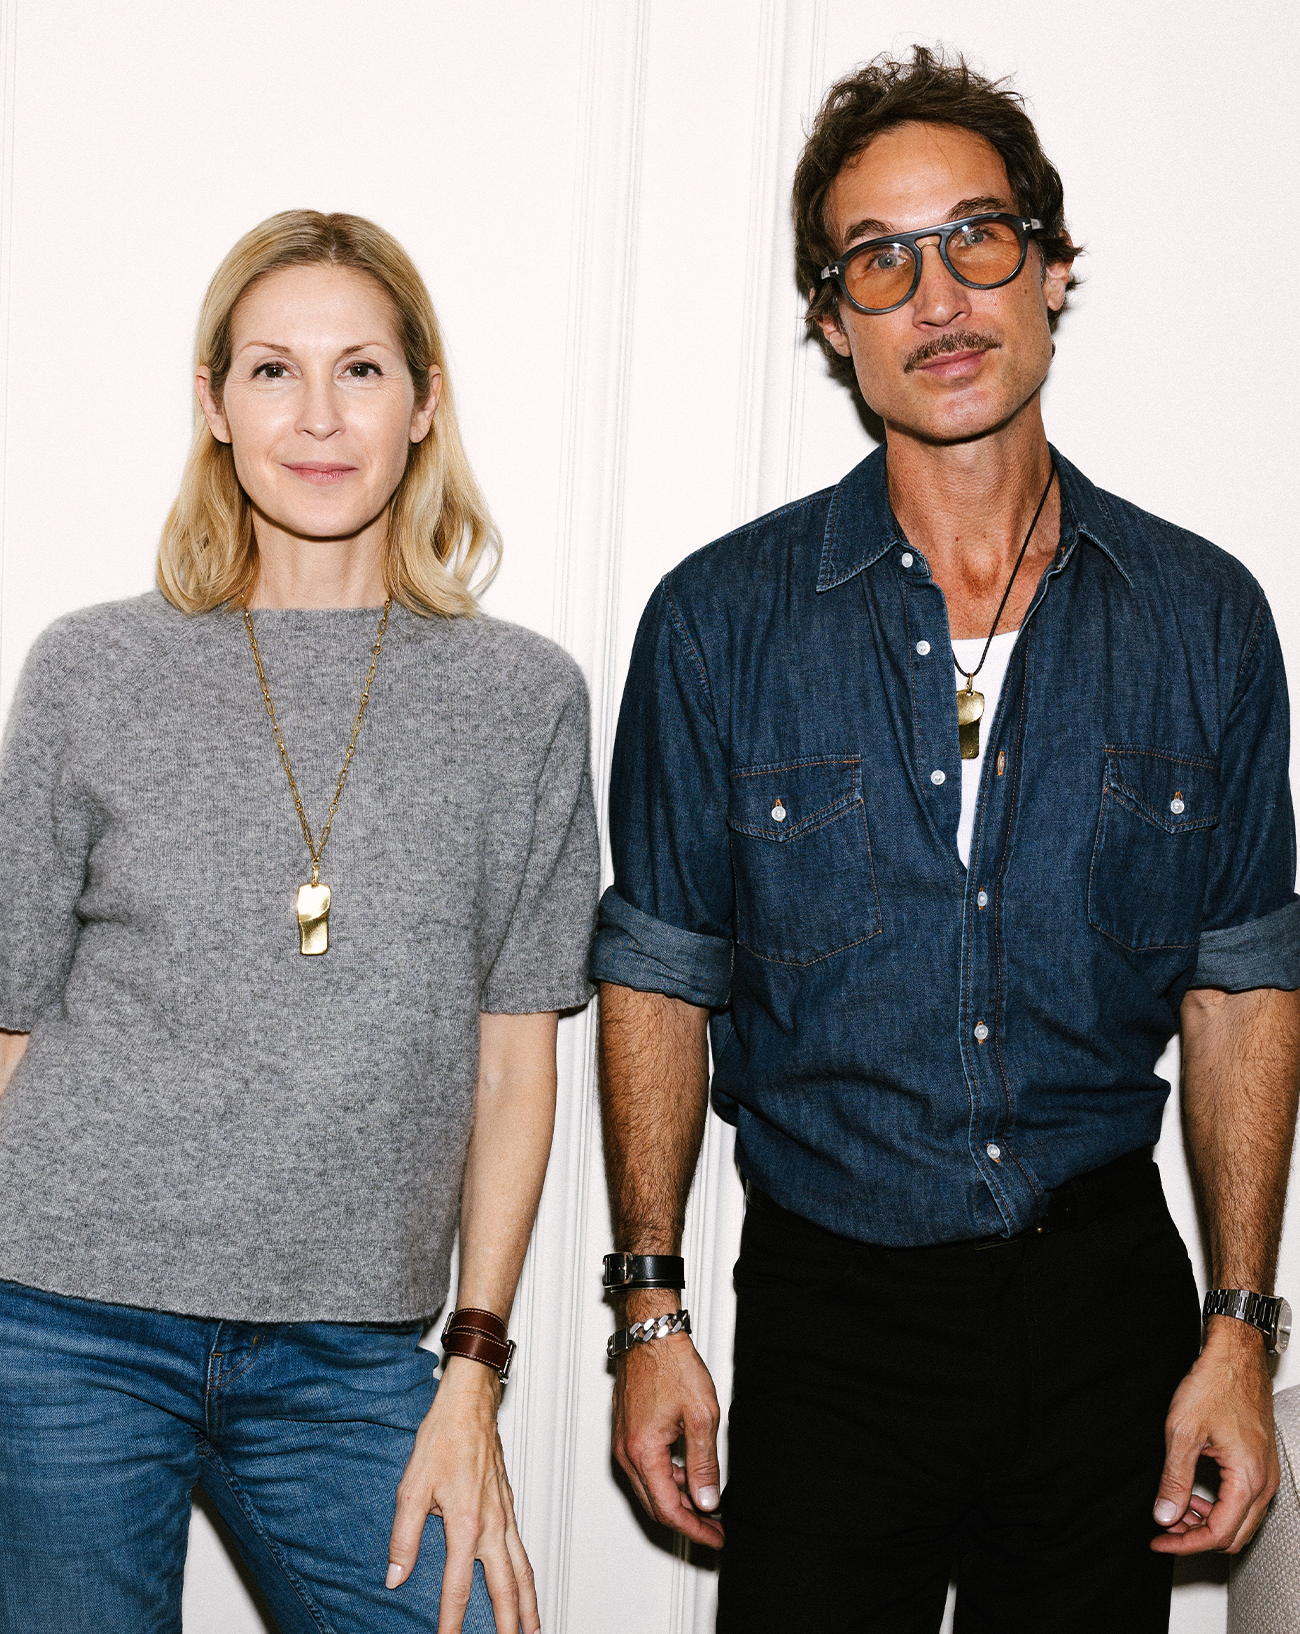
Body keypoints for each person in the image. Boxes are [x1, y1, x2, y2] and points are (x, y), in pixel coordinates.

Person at [592, 46, 1300, 1633]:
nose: (939, 298)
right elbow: (658, 973)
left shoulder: (1203, 619)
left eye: (977, 238)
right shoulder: (719, 622)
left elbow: (1242, 983)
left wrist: (1241, 1332)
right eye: (880, 260)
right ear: (832, 320)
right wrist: (649, 1312)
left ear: (1052, 267)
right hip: (833, 1309)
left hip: (1107, 1302)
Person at [0, 210, 598, 1634]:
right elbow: (8, 1018)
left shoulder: (523, 701)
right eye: (273, 371)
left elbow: (514, 1068)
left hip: (351, 1352)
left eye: (361, 370)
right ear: (215, 405)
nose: (318, 417)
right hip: (63, 1322)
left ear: (424, 401)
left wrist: (474, 1369)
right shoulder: (92, 670)